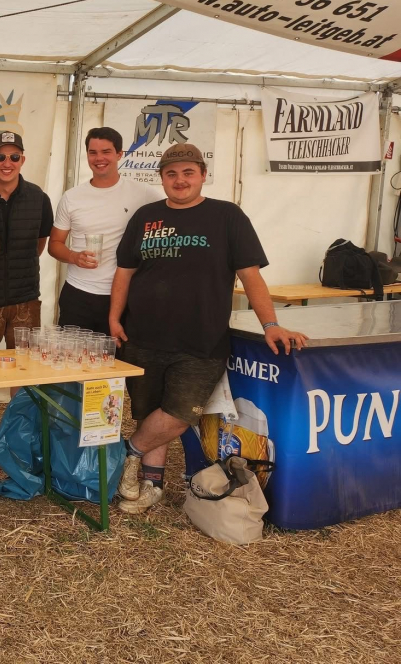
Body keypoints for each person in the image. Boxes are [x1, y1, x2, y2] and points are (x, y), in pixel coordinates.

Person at [110, 143, 308, 514]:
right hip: (143, 336)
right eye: (171, 174)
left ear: (202, 175)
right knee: (150, 412)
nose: (180, 180)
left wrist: (271, 324)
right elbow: (125, 271)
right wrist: (114, 318)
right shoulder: (145, 216)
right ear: (161, 178)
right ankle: (152, 484)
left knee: (180, 414)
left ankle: (127, 452)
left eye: (188, 173)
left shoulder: (227, 216)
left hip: (201, 341)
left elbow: (250, 275)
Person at [0, 131, 53, 469]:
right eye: (0, 156)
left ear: (23, 160)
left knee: (24, 371)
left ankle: (18, 439)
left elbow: (40, 244)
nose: (7, 163)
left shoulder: (38, 198)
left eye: (14, 156)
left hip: (25, 299)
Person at [49, 127, 162, 334]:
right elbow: (54, 244)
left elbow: (172, 214)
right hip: (78, 293)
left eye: (106, 152)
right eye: (93, 152)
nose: (99, 158)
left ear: (119, 154)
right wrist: (74, 257)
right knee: (73, 353)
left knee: (117, 354)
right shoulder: (72, 197)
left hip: (124, 294)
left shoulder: (143, 193)